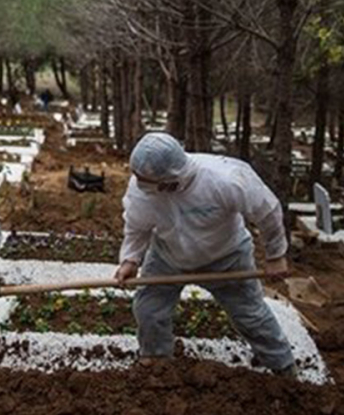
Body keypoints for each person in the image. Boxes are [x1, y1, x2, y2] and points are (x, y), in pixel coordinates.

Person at [114, 133, 297, 377]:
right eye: (137, 177)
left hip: (226, 257)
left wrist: (276, 256)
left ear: (169, 179)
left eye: (143, 179)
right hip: (168, 256)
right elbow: (137, 227)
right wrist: (130, 259)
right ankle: (156, 360)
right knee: (149, 309)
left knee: (250, 314)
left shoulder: (225, 179)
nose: (137, 183)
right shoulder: (142, 189)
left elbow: (267, 211)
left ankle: (283, 366)